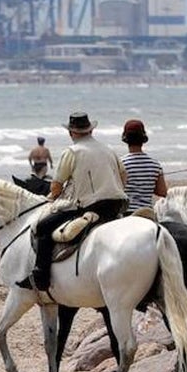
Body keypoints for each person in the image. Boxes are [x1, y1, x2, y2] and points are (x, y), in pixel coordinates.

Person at [30, 112, 127, 292]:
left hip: (89, 206)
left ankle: (41, 277)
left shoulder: (72, 152)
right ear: (90, 131)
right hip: (117, 204)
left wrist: (55, 196)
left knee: (43, 228)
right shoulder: (108, 149)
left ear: (71, 133)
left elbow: (56, 185)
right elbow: (123, 176)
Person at [120, 119, 166, 213]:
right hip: (146, 212)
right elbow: (162, 192)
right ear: (143, 139)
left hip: (126, 212)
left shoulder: (121, 164)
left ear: (126, 139)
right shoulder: (155, 164)